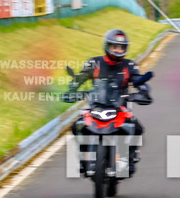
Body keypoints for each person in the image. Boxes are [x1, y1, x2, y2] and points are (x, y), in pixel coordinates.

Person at [63, 29, 154, 176]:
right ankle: (84, 156)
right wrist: (72, 89)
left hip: (120, 107)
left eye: (121, 47)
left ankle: (130, 156)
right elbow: (80, 78)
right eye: (115, 47)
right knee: (77, 126)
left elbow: (138, 80)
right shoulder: (94, 62)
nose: (118, 50)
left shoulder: (129, 65)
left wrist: (143, 91)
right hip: (96, 105)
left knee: (137, 128)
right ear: (107, 46)